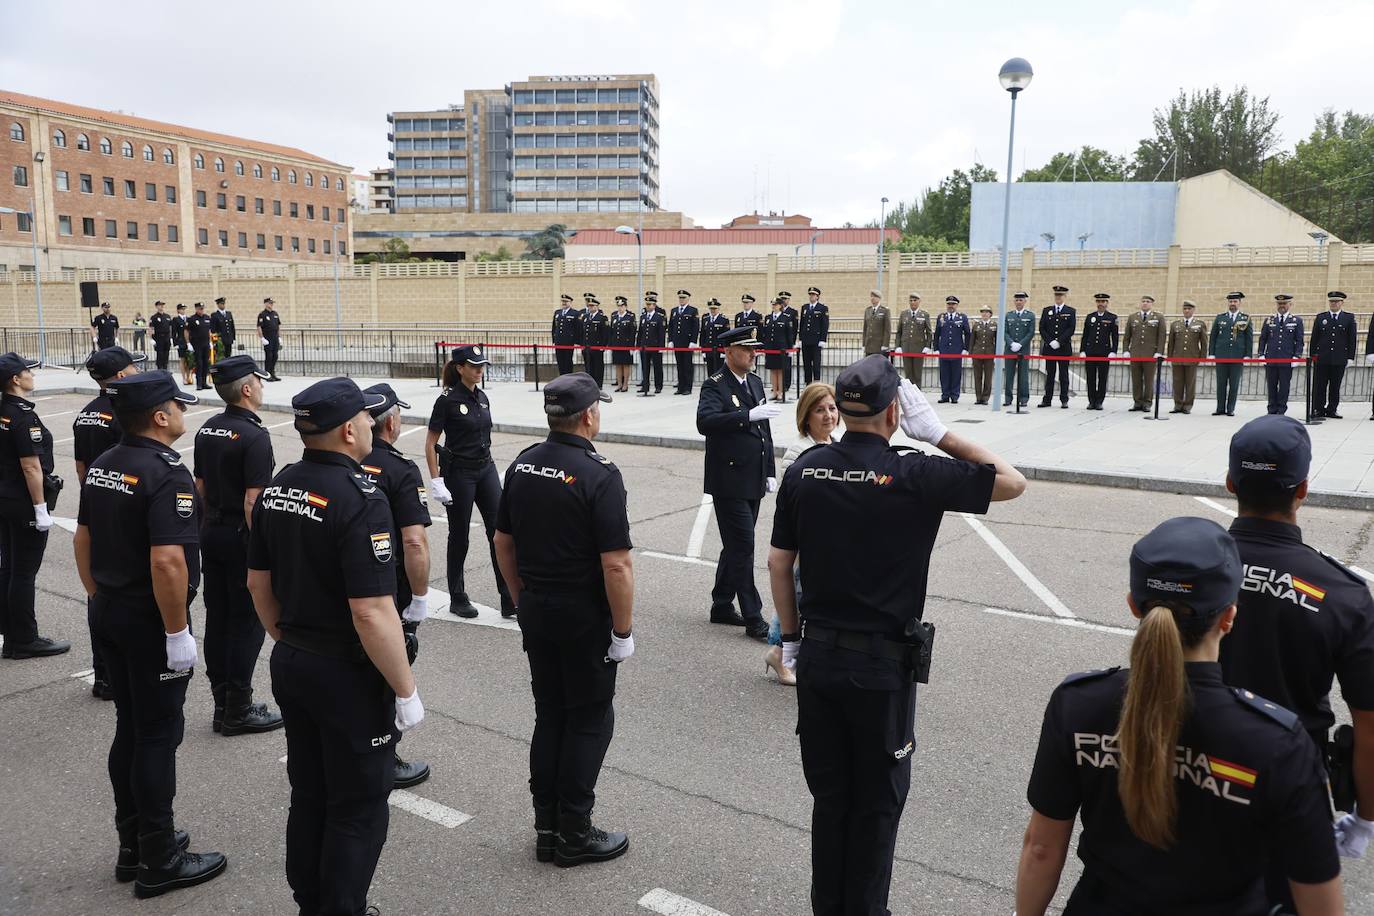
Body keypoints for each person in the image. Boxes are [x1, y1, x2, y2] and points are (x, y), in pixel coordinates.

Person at [768, 354, 1024, 915]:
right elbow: (1012, 482)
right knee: (876, 806)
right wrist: (937, 433)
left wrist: (790, 641)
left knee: (831, 801)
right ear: (894, 411)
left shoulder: (804, 470)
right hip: (880, 671)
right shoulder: (913, 471)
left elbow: (779, 562)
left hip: (818, 658)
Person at [1014, 516, 1344, 916]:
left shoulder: (1079, 704)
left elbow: (1042, 848)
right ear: (1229, 617)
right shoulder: (1275, 741)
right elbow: (1317, 898)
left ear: (1134, 606)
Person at [246, 378, 424, 916]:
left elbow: (258, 584)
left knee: (311, 794)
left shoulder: (279, 486)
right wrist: (405, 689)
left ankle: (312, 903)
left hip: (294, 660)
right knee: (358, 807)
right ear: (349, 429)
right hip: (345, 674)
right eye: (367, 420)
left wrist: (290, 638)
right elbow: (371, 611)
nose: (372, 426)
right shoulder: (360, 498)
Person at [74, 370, 227, 898]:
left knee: (131, 728)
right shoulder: (166, 473)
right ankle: (159, 856)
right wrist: (177, 631)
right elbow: (168, 562)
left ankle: (133, 842)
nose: (184, 413)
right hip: (149, 619)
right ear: (161, 417)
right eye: (178, 407)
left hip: (113, 610)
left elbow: (84, 538)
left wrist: (100, 594)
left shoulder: (105, 463)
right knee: (158, 735)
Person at [1217, 415, 1374, 897]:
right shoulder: (1342, 594)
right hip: (1286, 789)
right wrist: (1365, 817)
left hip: (1184, 770)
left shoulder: (1189, 564)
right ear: (1302, 488)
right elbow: (1368, 724)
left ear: (1229, 483)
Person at [493, 372, 634, 867]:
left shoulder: (524, 463)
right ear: (590, 415)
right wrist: (622, 632)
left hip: (537, 606)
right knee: (589, 719)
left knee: (551, 713)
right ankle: (574, 830)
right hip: (581, 615)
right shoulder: (600, 474)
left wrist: (521, 596)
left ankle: (548, 826)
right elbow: (615, 563)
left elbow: (502, 541)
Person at [194, 355, 283, 736]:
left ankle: (222, 702)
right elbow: (253, 501)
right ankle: (239, 707)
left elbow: (199, 489)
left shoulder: (208, 428)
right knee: (247, 623)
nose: (262, 387)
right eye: (258, 383)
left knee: (218, 618)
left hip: (210, 532)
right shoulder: (254, 436)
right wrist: (263, 550)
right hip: (239, 537)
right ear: (246, 390)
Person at [361, 382, 434, 790]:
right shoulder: (400, 470)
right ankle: (382, 756)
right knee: (386, 669)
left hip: (343, 587)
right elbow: (414, 542)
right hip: (386, 591)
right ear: (390, 422)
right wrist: (420, 597)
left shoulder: (344, 461)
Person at [696, 326, 778, 641]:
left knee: (737, 545)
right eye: (747, 349)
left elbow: (764, 430)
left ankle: (721, 604)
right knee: (743, 545)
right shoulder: (714, 385)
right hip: (728, 479)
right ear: (729, 352)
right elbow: (706, 422)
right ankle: (753, 617)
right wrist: (746, 415)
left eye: (754, 349)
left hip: (753, 476)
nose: (753, 354)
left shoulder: (755, 381)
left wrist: (770, 469)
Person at [75, 346, 146, 695]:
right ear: (119, 376)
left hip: (95, 508)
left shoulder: (86, 413)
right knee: (123, 592)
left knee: (98, 592)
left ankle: (103, 672)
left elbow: (80, 468)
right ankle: (120, 672)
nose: (136, 371)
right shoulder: (123, 416)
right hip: (122, 513)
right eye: (133, 367)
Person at [424, 345, 514, 618]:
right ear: (460, 368)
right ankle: (457, 596)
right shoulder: (447, 400)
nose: (479, 370)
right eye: (474, 366)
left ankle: (509, 597)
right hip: (459, 473)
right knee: (459, 536)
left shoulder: (482, 397)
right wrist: (436, 480)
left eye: (481, 365)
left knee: (499, 534)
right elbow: (430, 443)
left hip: (485, 469)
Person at [763, 381, 839, 687]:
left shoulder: (837, 444)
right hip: (805, 541)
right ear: (806, 416)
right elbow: (792, 502)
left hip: (832, 540)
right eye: (819, 410)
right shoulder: (798, 451)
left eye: (832, 408)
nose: (828, 416)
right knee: (797, 597)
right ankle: (780, 654)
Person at [0, 353, 70, 660]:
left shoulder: (3, 410)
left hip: (4, 498)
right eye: (28, 371)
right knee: (24, 572)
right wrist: (40, 509)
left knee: (10, 568)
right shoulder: (22, 416)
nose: (32, 375)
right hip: (22, 502)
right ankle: (25, 639)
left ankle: (10, 632)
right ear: (16, 379)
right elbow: (31, 467)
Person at [1310, 291, 1356, 419]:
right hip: (1322, 358)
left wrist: (1350, 357)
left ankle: (1332, 409)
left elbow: (1351, 339)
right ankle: (1318, 409)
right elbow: (1314, 339)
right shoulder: (1321, 317)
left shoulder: (1348, 318)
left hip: (1339, 359)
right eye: (1331, 301)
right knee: (1320, 386)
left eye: (1336, 301)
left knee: (1335, 386)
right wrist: (1312, 356)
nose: (1334, 303)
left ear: (1342, 303)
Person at [1258, 294, 1305, 416]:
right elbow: (1263, 338)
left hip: (1286, 359)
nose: (1282, 306)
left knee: (1284, 386)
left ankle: (1281, 409)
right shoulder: (1269, 320)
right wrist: (1261, 354)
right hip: (1271, 358)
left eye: (1284, 304)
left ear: (1290, 305)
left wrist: (1297, 356)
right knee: (1271, 385)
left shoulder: (1296, 321)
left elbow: (1299, 340)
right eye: (1279, 304)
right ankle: (1271, 409)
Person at [1209, 292, 1253, 417]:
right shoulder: (1220, 318)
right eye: (1230, 302)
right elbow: (1213, 336)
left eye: (1235, 302)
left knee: (1234, 384)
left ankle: (1230, 409)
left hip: (1237, 356)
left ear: (1239, 303)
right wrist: (1212, 353)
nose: (1232, 304)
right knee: (1221, 383)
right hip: (1221, 355)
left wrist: (1247, 355)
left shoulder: (1245, 318)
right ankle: (1220, 408)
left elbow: (1248, 338)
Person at [1122, 295, 1166, 413]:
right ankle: (1137, 402)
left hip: (1150, 354)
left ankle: (1147, 403)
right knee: (1136, 380)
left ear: (1152, 304)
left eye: (1148, 301)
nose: (1145, 303)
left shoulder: (1158, 317)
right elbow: (1127, 336)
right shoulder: (1133, 317)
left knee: (1149, 380)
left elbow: (1161, 336)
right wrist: (1126, 350)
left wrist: (1159, 352)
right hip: (1135, 353)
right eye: (1143, 301)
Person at [1166, 300, 1208, 414]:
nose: (1187, 311)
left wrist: (1203, 357)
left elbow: (1204, 342)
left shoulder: (1199, 324)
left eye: (1189, 309)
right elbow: (1171, 342)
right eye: (1185, 309)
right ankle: (1178, 404)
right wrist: (1170, 356)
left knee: (1190, 383)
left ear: (1193, 310)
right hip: (1177, 357)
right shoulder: (1175, 324)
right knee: (1177, 382)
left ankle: (1188, 405)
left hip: (1192, 357)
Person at [1039, 285, 1076, 408]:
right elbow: (1042, 328)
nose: (1058, 297)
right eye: (1056, 295)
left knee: (1063, 375)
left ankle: (1064, 399)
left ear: (1065, 296)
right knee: (1050, 374)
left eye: (1060, 295)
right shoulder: (1047, 310)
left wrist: (1059, 341)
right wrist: (1050, 341)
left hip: (1063, 348)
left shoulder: (1070, 311)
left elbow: (1071, 329)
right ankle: (1047, 399)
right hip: (1050, 348)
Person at [934, 295, 970, 404]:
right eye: (949, 304)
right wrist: (936, 348)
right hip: (944, 350)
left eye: (953, 304)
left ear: (957, 305)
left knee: (956, 374)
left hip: (956, 350)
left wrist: (965, 348)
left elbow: (968, 334)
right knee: (944, 374)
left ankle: (954, 395)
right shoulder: (941, 317)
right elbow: (937, 334)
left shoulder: (962, 317)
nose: (951, 306)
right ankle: (945, 395)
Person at [1004, 292, 1035, 408]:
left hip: (1023, 350)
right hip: (1010, 349)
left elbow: (1030, 332)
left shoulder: (1030, 316)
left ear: (1025, 301)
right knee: (1008, 374)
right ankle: (1008, 398)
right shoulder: (1009, 315)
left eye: (1021, 300)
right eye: (1016, 300)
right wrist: (1011, 343)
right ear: (1014, 301)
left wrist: (1020, 344)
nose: (1018, 302)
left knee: (1023, 375)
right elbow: (1005, 331)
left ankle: (1023, 398)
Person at [895, 293, 932, 385]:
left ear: (919, 301)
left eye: (915, 300)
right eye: (911, 300)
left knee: (917, 374)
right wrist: (898, 346)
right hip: (906, 347)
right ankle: (909, 396)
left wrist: (927, 346)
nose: (912, 302)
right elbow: (899, 331)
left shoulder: (924, 314)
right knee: (908, 374)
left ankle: (917, 395)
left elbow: (929, 332)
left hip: (919, 348)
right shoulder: (904, 314)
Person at [668, 289, 699, 395]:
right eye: (680, 298)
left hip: (687, 343)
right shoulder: (674, 310)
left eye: (683, 298)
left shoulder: (692, 310)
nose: (681, 300)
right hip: (677, 342)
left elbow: (695, 327)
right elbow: (671, 326)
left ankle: (687, 388)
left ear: (688, 298)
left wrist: (693, 341)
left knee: (687, 366)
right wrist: (670, 340)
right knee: (679, 365)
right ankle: (680, 387)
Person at [636, 292, 666, 396]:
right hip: (644, 346)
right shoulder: (643, 317)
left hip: (655, 346)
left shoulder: (659, 317)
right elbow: (640, 332)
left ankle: (658, 386)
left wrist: (661, 346)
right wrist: (638, 345)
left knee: (657, 367)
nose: (648, 306)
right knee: (645, 367)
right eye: (647, 304)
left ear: (654, 305)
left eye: (650, 304)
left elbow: (661, 333)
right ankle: (645, 386)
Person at [798, 286, 829, 384]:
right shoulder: (805, 307)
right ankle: (808, 383)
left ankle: (816, 383)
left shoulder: (822, 308)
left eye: (813, 295)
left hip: (816, 340)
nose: (811, 296)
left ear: (817, 296)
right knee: (806, 363)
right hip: (806, 340)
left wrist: (823, 339)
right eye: (810, 294)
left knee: (816, 363)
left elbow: (824, 324)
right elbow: (802, 324)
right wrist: (800, 338)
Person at [968, 305, 998, 405]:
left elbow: (996, 340)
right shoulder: (977, 325)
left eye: (987, 312)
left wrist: (997, 354)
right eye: (983, 312)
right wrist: (970, 353)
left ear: (990, 314)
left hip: (989, 354)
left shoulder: (994, 325)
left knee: (988, 377)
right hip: (977, 353)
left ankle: (985, 397)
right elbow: (972, 340)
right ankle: (978, 397)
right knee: (977, 376)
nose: (984, 314)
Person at [762, 297, 790, 402]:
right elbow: (766, 333)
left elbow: (789, 335)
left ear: (780, 306)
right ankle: (774, 391)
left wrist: (789, 348)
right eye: (772, 304)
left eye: (776, 304)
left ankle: (780, 392)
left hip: (781, 348)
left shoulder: (785, 318)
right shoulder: (768, 318)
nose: (774, 306)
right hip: (770, 348)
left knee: (781, 370)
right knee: (773, 369)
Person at [608, 296, 637, 393]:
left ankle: (625, 384)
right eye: (618, 306)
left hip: (626, 345)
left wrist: (632, 347)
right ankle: (619, 384)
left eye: (622, 306)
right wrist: (610, 345)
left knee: (626, 365)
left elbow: (632, 333)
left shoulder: (630, 317)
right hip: (616, 345)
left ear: (625, 306)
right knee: (618, 365)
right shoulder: (614, 317)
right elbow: (611, 332)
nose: (620, 308)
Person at [551, 293, 584, 376]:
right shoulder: (557, 312)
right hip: (559, 341)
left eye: (566, 301)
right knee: (560, 361)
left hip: (569, 342)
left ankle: (568, 378)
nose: (564, 303)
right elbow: (554, 327)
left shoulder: (575, 313)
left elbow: (578, 328)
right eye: (563, 301)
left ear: (570, 302)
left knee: (568, 361)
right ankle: (562, 377)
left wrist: (577, 341)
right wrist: (554, 339)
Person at [581, 296, 608, 389]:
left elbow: (605, 333)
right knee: (588, 367)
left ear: (597, 307)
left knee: (598, 367)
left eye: (593, 306)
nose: (591, 308)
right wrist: (582, 345)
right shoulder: (585, 317)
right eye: (589, 306)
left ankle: (598, 384)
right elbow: (583, 332)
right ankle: (589, 383)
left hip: (597, 347)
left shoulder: (602, 318)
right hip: (587, 346)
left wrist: (603, 346)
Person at [698, 298, 730, 377]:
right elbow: (703, 335)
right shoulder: (706, 319)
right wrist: (703, 350)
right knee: (710, 371)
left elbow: (726, 336)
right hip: (708, 349)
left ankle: (718, 388)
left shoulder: (723, 320)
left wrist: (724, 351)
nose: (713, 311)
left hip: (719, 350)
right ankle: (711, 388)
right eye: (711, 309)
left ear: (718, 309)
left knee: (719, 372)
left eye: (715, 309)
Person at [186, 303, 212, 390]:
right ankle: (199, 384)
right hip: (197, 345)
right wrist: (188, 343)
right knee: (199, 364)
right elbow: (186, 331)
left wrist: (210, 341)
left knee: (205, 363)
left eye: (202, 308)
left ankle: (204, 383)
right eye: (200, 309)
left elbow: (208, 330)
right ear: (196, 309)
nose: (201, 310)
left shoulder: (207, 318)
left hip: (206, 344)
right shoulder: (192, 319)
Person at [256, 297, 282, 382]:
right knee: (269, 356)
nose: (271, 304)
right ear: (266, 304)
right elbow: (259, 327)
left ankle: (273, 373)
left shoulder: (275, 313)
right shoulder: (262, 314)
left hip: (275, 338)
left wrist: (279, 337)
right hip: (267, 338)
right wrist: (262, 338)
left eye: (272, 303)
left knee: (275, 356)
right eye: (270, 303)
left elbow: (278, 326)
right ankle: (267, 374)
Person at [778, 290, 799, 393]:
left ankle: (786, 384)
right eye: (782, 299)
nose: (783, 301)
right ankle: (778, 384)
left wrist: (793, 343)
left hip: (788, 342)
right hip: (779, 343)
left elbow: (794, 328)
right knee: (778, 365)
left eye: (785, 299)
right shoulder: (777, 312)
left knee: (787, 365)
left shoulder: (792, 312)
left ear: (788, 300)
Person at [862, 290, 891, 358]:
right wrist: (864, 344)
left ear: (879, 298)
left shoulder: (885, 310)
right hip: (869, 346)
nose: (872, 298)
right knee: (869, 366)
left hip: (879, 346)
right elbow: (865, 329)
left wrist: (885, 345)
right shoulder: (867, 310)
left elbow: (887, 330)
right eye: (871, 296)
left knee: (878, 367)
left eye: (874, 296)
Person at [172, 304, 193, 387]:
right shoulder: (176, 319)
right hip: (181, 342)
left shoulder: (188, 319)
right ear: (178, 310)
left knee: (189, 360)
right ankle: (184, 378)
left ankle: (189, 377)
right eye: (181, 309)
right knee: (182, 360)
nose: (183, 311)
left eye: (184, 309)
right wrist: (175, 343)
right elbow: (174, 332)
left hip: (189, 342)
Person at [209, 297, 235, 362]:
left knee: (228, 355)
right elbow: (213, 329)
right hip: (220, 340)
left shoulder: (229, 314)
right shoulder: (215, 315)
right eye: (221, 304)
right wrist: (215, 340)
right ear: (218, 305)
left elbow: (232, 326)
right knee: (220, 356)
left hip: (228, 339)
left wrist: (233, 337)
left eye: (223, 303)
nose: (223, 305)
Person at [149, 301, 173, 372]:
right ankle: (160, 370)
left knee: (166, 354)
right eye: (160, 305)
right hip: (159, 338)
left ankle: (165, 370)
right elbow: (151, 328)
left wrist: (171, 337)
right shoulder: (154, 317)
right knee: (160, 354)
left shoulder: (167, 316)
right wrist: (151, 339)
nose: (161, 306)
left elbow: (170, 328)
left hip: (167, 337)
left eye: (162, 305)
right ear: (156, 306)